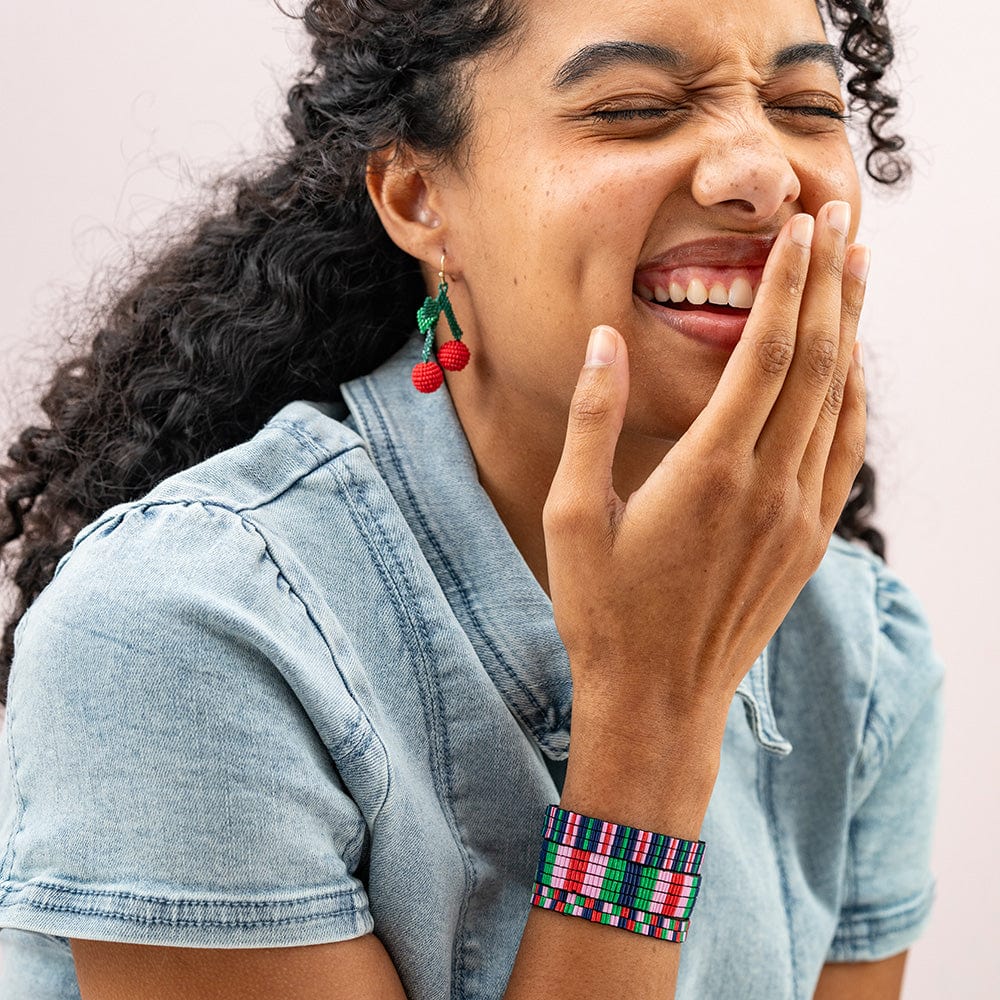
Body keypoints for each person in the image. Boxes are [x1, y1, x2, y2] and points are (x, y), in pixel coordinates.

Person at [0, 0, 943, 997]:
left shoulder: (863, 649)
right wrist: (654, 723)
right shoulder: (185, 629)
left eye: (801, 103)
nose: (761, 173)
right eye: (634, 108)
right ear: (416, 200)